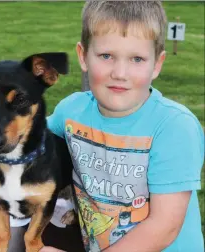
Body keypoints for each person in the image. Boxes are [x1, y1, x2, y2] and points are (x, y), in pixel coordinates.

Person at [40, 1, 204, 251]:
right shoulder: (71, 112)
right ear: (83, 56)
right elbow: (30, 142)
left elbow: (164, 226)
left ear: (157, 64)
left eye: (137, 58)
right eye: (106, 56)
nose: (120, 72)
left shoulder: (174, 127)